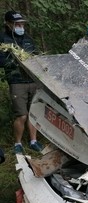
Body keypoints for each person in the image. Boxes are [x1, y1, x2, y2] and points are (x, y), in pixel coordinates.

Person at [0, 11, 43, 154]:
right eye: (17, 24)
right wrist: (15, 58)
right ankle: (17, 144)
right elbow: (1, 61)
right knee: (22, 115)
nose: (20, 26)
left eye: (22, 24)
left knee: (33, 113)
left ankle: (33, 141)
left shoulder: (28, 39)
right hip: (17, 82)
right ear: (8, 24)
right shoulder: (3, 39)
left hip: (33, 80)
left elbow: (36, 56)